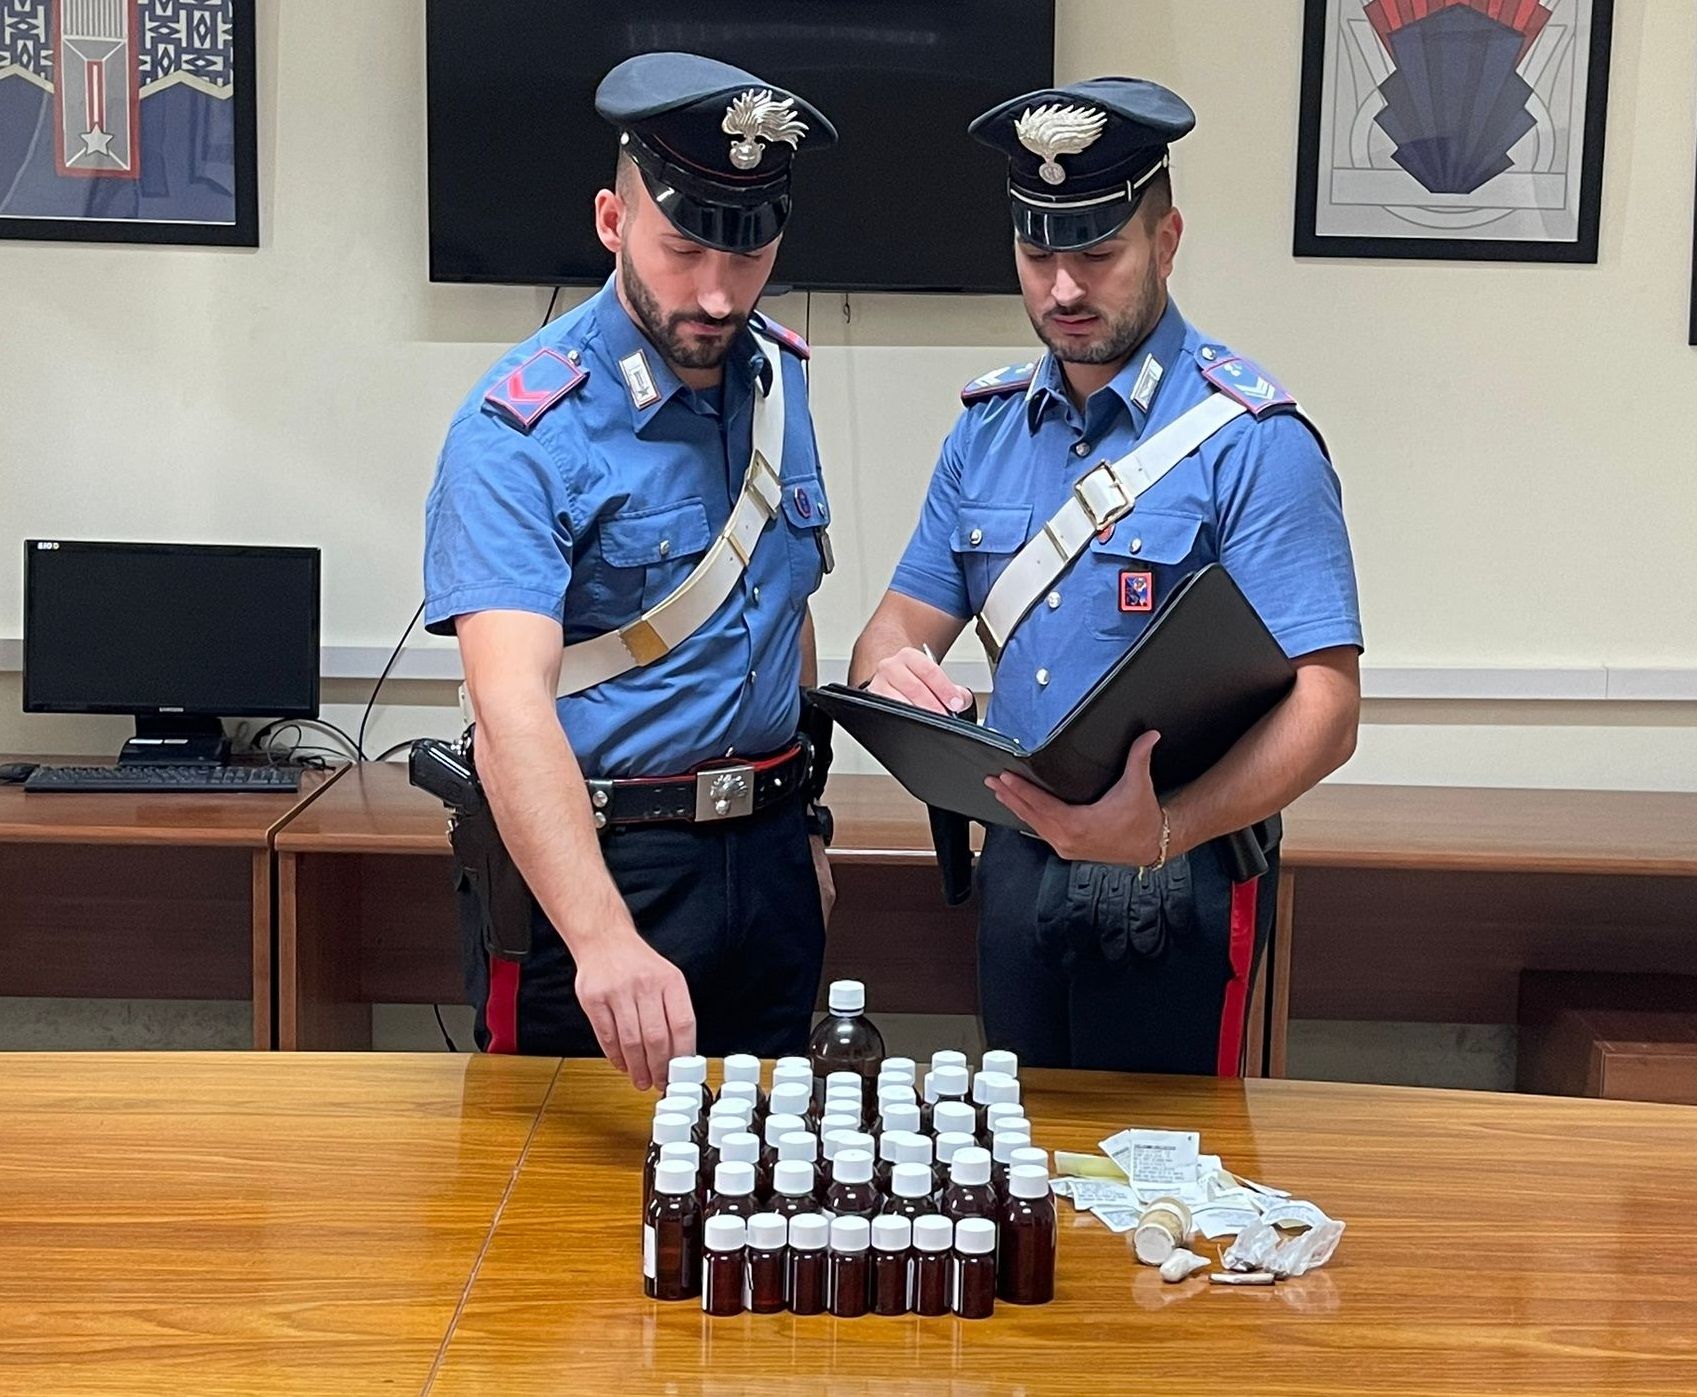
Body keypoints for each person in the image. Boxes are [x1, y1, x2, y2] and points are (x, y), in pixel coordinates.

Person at [849, 78, 1363, 1076]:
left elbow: (1328, 707)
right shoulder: (985, 431)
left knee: (1168, 1158)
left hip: (1179, 867)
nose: (1062, 290)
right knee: (1021, 1141)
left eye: (1096, 254)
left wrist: (1164, 827)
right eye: (1036, 255)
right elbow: (893, 629)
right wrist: (891, 677)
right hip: (1018, 856)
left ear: (1165, 242)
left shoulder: (1249, 440)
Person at [422, 53, 840, 1089]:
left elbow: (781, 610)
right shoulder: (522, 429)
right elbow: (508, 707)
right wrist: (603, 936)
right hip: (599, 872)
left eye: (747, 254)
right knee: (559, 1174)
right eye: (682, 249)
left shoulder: (775, 381)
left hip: (769, 860)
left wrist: (806, 825)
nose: (716, 292)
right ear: (612, 221)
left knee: (760, 1171)